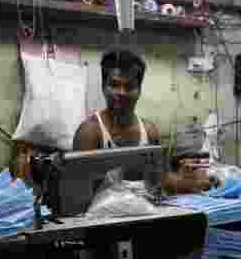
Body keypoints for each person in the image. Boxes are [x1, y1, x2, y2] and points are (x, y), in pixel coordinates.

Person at [72, 48, 211, 194]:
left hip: (144, 212)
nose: (121, 93)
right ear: (103, 87)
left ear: (139, 90)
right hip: (100, 214)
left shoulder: (149, 132)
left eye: (129, 86)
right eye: (114, 85)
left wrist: (194, 184)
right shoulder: (90, 133)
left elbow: (163, 180)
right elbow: (78, 192)